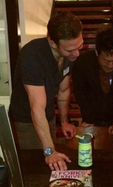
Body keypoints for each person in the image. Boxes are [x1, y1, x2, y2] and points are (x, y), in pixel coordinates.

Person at [9, 12, 83, 171]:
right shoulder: (32, 56)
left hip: (47, 117)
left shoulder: (69, 57)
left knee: (52, 164)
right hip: (25, 122)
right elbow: (37, 108)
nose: (76, 54)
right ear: (52, 42)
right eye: (70, 50)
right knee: (36, 167)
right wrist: (49, 151)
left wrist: (63, 122)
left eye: (79, 46)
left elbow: (63, 91)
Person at [72, 28, 113, 149]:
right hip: (92, 120)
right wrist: (89, 119)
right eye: (106, 60)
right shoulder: (82, 64)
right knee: (92, 155)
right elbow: (81, 94)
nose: (111, 65)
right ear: (97, 53)